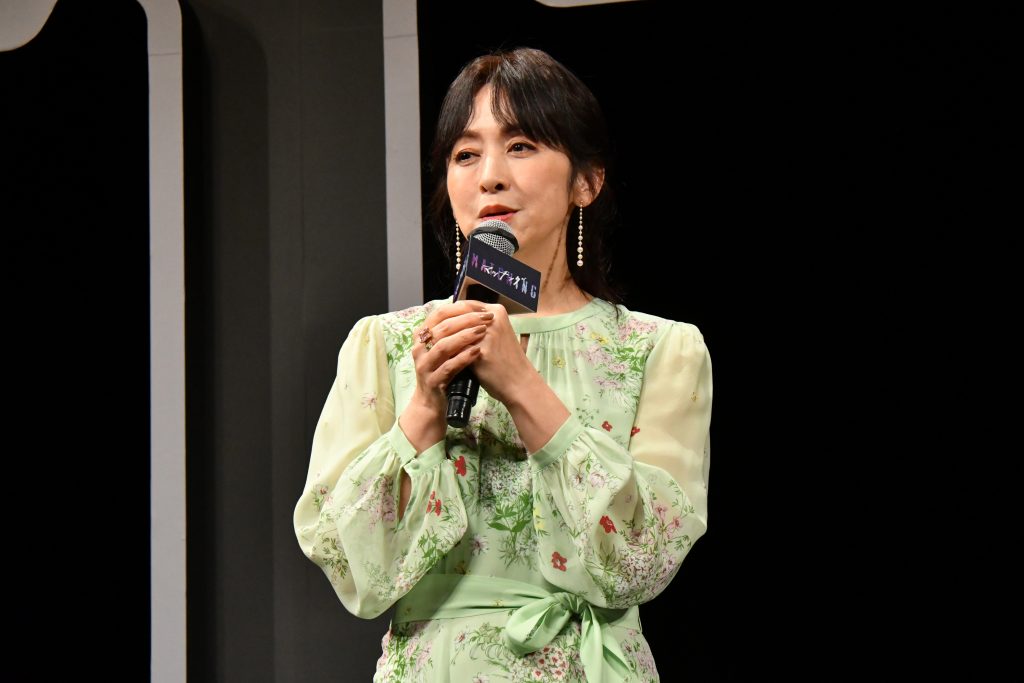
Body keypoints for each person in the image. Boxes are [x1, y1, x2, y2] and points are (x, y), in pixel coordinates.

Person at [294, 47, 712, 682]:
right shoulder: (385, 345)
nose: (489, 176)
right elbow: (351, 565)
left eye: (520, 146)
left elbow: (643, 558)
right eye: (466, 154)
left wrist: (521, 385)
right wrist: (424, 409)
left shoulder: (659, 349)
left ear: (586, 181)